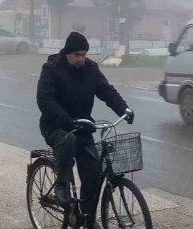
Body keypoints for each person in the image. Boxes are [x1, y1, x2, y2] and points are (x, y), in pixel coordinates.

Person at [36, 31, 134, 211]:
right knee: (68, 140)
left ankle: (86, 218)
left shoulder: (90, 69)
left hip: (82, 126)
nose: (81, 59)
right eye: (77, 55)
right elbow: (44, 99)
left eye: (84, 54)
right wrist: (62, 117)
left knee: (93, 173)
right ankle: (62, 184)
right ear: (67, 53)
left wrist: (123, 108)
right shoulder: (51, 68)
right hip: (55, 125)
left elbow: (106, 91)